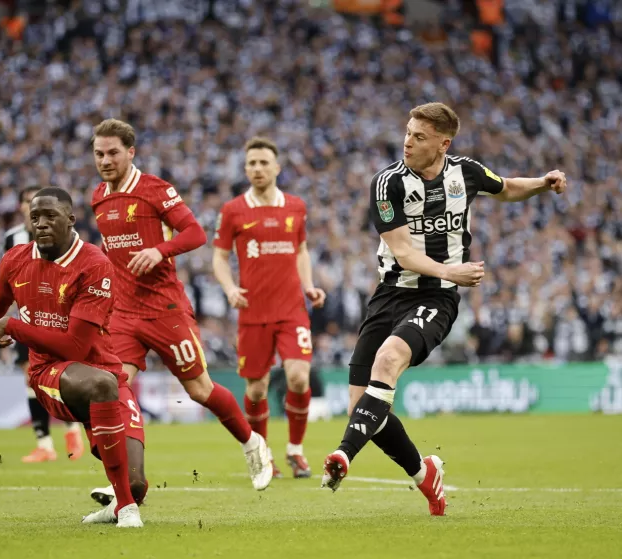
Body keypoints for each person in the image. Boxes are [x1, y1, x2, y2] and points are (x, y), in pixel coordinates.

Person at [321, 102, 567, 515]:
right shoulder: (388, 184)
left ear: (442, 142)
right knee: (364, 410)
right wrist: (452, 270)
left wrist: (543, 182)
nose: (408, 141)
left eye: (419, 136)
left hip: (435, 298)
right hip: (390, 295)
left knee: (388, 360)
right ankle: (426, 474)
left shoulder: (464, 172)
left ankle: (343, 455)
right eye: (407, 132)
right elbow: (401, 252)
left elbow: (506, 187)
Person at [0, 187, 145, 528]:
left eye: (50, 217)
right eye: (34, 218)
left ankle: (120, 503)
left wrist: (15, 327)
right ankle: (128, 511)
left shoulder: (94, 264)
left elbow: (76, 347)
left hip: (100, 369)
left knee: (137, 483)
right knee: (102, 386)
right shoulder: (15, 260)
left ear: (71, 220)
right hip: (48, 372)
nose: (41, 224)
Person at [88, 118, 273, 505]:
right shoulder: (97, 197)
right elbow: (112, 252)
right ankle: (123, 482)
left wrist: (160, 250)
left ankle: (252, 442)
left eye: (112, 153)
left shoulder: (156, 189)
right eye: (99, 153)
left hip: (165, 309)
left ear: (131, 152)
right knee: (114, 387)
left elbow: (195, 233)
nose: (105, 160)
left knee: (199, 389)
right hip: (123, 313)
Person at [212, 137, 327, 479]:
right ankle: (262, 453)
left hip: (292, 309)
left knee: (297, 376)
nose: (258, 169)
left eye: (264, 163)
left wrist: (308, 286)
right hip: (253, 313)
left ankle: (296, 450)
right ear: (245, 169)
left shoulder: (296, 206)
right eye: (252, 164)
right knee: (257, 389)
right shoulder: (233, 210)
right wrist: (230, 288)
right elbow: (219, 257)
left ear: (277, 168)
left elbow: (302, 250)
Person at [5, 186, 85, 463]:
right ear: (21, 207)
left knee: (64, 376)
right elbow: (7, 282)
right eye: (27, 203)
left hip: (58, 318)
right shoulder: (12, 239)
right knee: (31, 378)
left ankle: (72, 427)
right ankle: (45, 444)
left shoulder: (64, 236)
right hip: (28, 318)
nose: (31, 208)